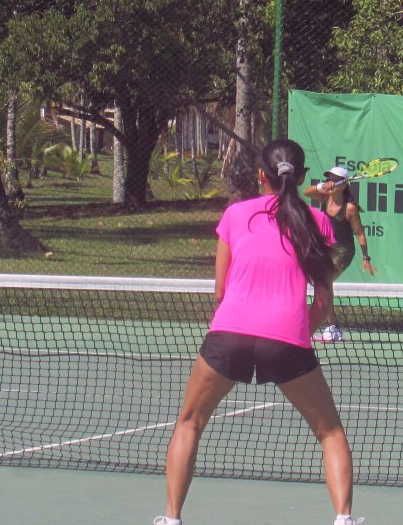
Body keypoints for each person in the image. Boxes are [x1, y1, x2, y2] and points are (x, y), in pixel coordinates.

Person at [155, 139, 361, 525]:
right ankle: (344, 519)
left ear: (260, 175)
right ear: (301, 177)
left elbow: (220, 291)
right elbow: (323, 300)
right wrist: (297, 332)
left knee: (189, 423)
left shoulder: (235, 214)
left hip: (228, 334)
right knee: (330, 432)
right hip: (286, 339)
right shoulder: (317, 222)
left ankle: (171, 519)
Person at [303, 166, 377, 343]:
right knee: (323, 284)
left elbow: (360, 233)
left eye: (334, 180)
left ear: (343, 185)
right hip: (326, 249)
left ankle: (333, 327)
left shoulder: (350, 208)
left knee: (324, 281)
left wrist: (365, 258)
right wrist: (321, 187)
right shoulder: (324, 197)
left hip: (343, 252)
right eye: (329, 178)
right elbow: (306, 192)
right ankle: (332, 327)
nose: (330, 182)